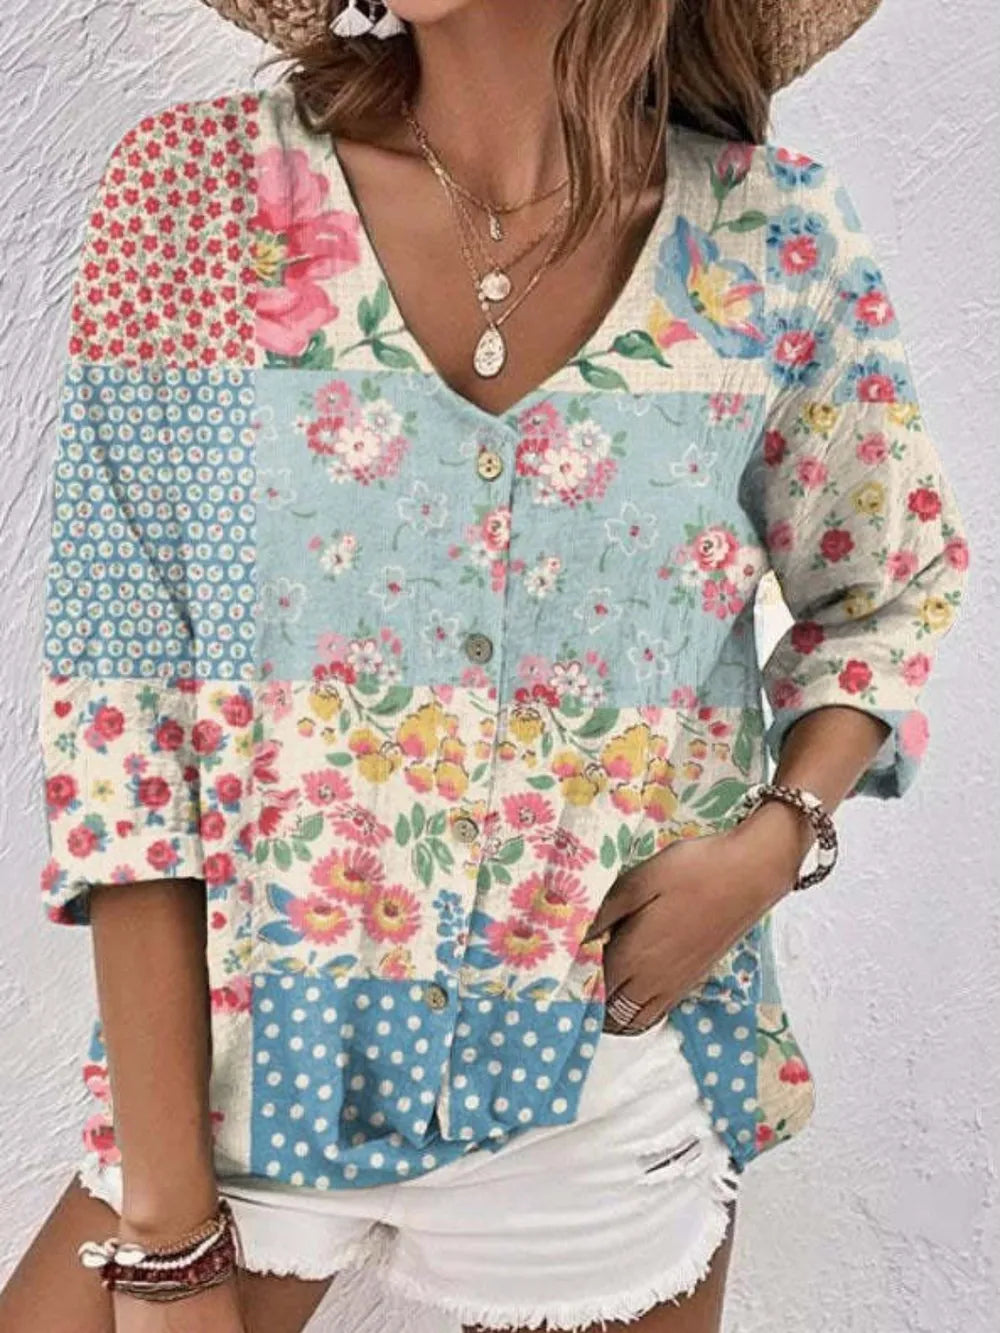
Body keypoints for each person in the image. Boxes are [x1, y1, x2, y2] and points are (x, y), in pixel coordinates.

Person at [0, 1, 971, 1331]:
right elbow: (122, 718)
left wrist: (774, 840)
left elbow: (887, 587)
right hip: (244, 1067)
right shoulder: (200, 197)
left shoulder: (772, 237)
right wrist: (169, 1243)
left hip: (606, 1073)